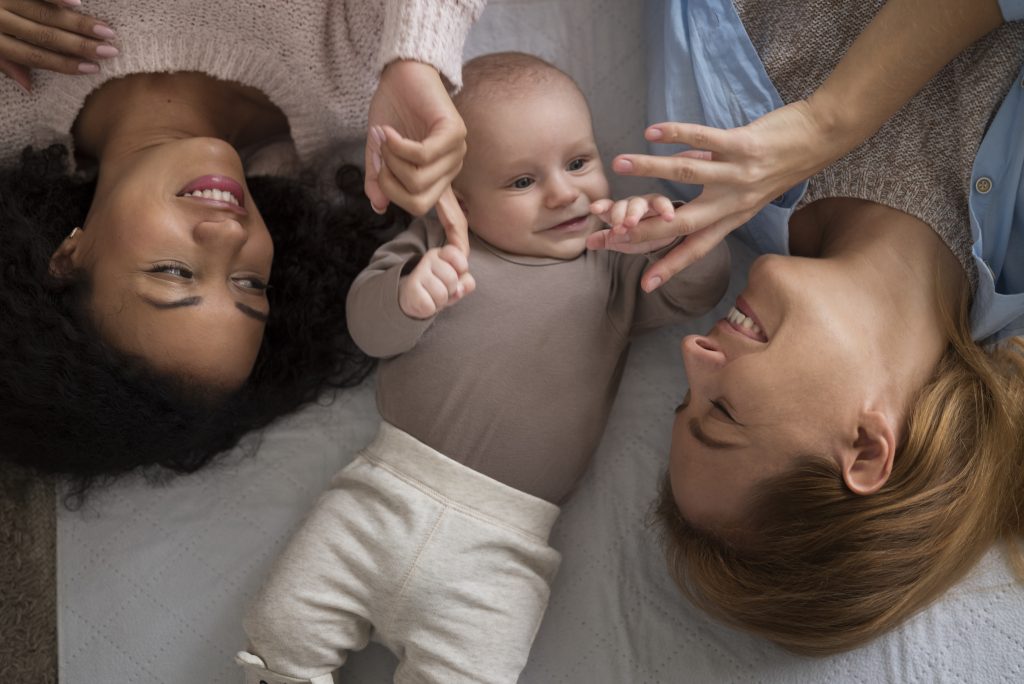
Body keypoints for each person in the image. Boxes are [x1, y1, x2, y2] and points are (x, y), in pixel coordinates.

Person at [236, 52, 730, 684]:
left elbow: (696, 290)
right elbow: (367, 327)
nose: (564, 192)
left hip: (504, 549)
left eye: (579, 162)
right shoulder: (435, 248)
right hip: (378, 500)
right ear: (458, 202)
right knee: (282, 626)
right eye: (522, 182)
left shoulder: (611, 263)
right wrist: (408, 296)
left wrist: (667, 236)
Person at [586, 0, 1024, 655]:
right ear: (868, 448)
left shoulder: (703, 143)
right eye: (724, 411)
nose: (693, 350)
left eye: (685, 398)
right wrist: (826, 122)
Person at [0, 0, 484, 484]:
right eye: (250, 282)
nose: (230, 234)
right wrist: (418, 58)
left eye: (173, 272)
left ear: (68, 257)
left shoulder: (15, 75)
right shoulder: (362, 81)